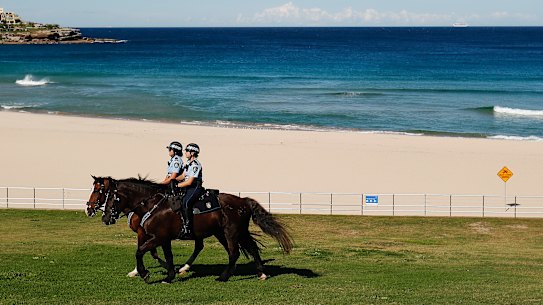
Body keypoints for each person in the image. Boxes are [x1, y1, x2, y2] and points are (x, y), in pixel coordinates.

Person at [176, 143, 203, 238]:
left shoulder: (196, 165)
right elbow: (183, 176)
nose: (185, 153)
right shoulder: (188, 163)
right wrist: (173, 180)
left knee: (186, 202)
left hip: (195, 187)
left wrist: (177, 185)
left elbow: (189, 181)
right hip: (188, 187)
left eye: (187, 151)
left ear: (192, 153)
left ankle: (188, 227)